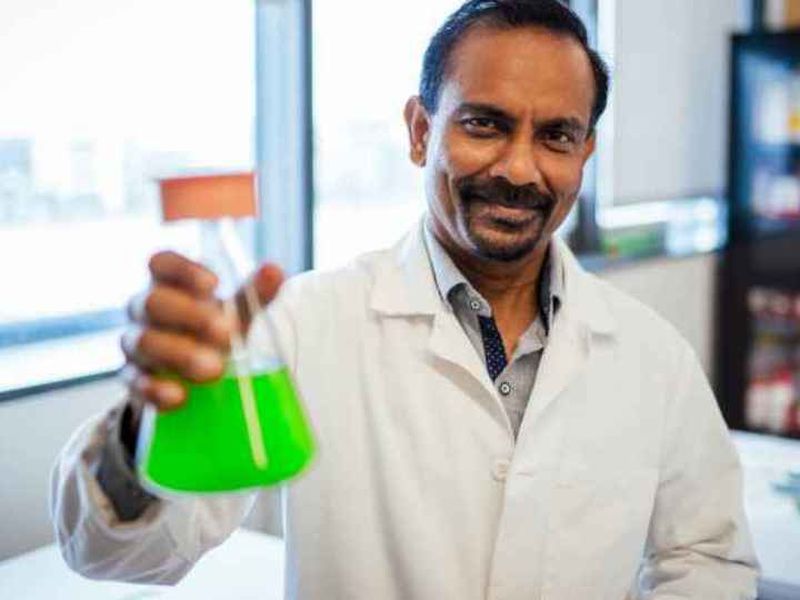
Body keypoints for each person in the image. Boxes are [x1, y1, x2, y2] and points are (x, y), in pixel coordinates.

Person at [50, 1, 759, 598]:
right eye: (484, 123)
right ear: (422, 132)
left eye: (555, 136)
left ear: (585, 154)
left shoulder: (651, 354)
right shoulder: (302, 325)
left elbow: (706, 556)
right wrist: (150, 418)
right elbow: (123, 554)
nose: (518, 168)